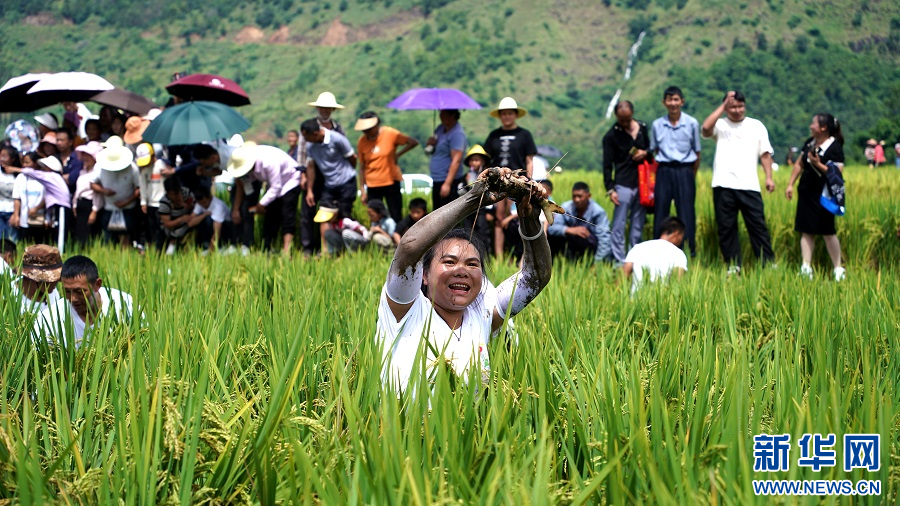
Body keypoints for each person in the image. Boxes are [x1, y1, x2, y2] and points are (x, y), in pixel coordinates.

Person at [376, 168, 552, 392]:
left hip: (471, 417)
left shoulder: (482, 315)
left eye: (472, 264)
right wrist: (473, 199)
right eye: (449, 262)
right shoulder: (405, 310)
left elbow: (535, 277)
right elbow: (410, 247)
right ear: (424, 275)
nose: (462, 270)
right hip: (403, 417)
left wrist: (530, 219)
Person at [700, 90, 777, 273]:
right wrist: (723, 106)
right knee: (726, 227)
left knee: (757, 226)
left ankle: (767, 263)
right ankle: (733, 266)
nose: (737, 110)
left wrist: (769, 177)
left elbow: (765, 154)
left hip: (749, 185)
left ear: (745, 106)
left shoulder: (756, 126)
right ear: (726, 108)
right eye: (732, 107)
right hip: (723, 184)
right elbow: (705, 128)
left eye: (740, 106)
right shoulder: (720, 125)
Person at [785, 113, 846, 281]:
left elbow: (837, 173)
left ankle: (838, 268)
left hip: (824, 195)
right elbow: (799, 163)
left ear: (823, 128)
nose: (811, 126)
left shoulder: (834, 147)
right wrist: (790, 184)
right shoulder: (810, 142)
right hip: (806, 192)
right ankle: (806, 267)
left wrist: (817, 163)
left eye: (814, 123)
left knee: (827, 231)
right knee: (806, 230)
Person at [31, 255, 136, 348]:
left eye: (79, 291)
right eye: (67, 291)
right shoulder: (50, 318)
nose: (73, 298)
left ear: (97, 285)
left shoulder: (125, 304)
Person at [649, 86, 702, 257]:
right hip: (664, 170)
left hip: (684, 170)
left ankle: (688, 252)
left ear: (682, 102)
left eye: (676, 99)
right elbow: (655, 150)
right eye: (669, 100)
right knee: (660, 211)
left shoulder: (692, 123)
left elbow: (697, 153)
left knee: (686, 212)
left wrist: (691, 175)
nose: (673, 103)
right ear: (664, 102)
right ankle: (658, 252)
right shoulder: (657, 124)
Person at [484, 97, 537, 258]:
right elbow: (487, 159)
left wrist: (529, 180)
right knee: (499, 217)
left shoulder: (524, 135)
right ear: (500, 116)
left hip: (518, 180)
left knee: (518, 216)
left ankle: (519, 255)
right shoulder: (494, 135)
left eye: (510, 113)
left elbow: (529, 160)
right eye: (504, 114)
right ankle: (499, 256)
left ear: (515, 115)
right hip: (498, 181)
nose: (506, 116)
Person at [227, 143, 302, 255]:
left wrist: (260, 204)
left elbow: (276, 187)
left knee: (287, 215)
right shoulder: (250, 168)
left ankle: (287, 250)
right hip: (274, 184)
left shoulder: (268, 162)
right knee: (270, 215)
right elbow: (247, 187)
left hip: (290, 180)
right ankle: (267, 248)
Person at [603, 100, 650, 265]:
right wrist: (610, 189)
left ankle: (635, 259)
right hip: (622, 184)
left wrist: (645, 153)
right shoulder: (611, 136)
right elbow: (607, 165)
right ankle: (619, 260)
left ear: (632, 114)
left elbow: (651, 148)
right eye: (621, 120)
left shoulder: (643, 128)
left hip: (642, 183)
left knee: (638, 223)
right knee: (619, 224)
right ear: (616, 116)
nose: (624, 123)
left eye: (627, 119)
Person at [300, 119, 359, 250]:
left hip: (346, 183)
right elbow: (310, 168)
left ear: (315, 134)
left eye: (306, 137)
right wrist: (309, 190)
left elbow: (352, 158)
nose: (305, 140)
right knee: (324, 215)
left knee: (344, 216)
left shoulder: (337, 139)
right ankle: (327, 250)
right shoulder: (310, 146)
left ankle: (346, 248)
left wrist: (346, 174)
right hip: (329, 185)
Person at [299, 92, 345, 255]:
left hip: (332, 177)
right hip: (312, 173)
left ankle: (329, 248)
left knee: (329, 211)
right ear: (318, 108)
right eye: (322, 108)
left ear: (332, 110)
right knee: (308, 211)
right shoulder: (309, 126)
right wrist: (303, 175)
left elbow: (343, 150)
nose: (325, 111)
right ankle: (307, 248)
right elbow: (302, 153)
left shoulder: (338, 128)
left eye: (328, 108)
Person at [355, 111, 419, 222]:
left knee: (395, 214)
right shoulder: (362, 141)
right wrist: (362, 191)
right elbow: (362, 167)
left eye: (369, 129)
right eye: (364, 130)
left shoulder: (390, 133)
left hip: (390, 181)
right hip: (372, 184)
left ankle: (397, 233)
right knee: (375, 217)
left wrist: (398, 154)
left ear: (376, 125)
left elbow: (412, 142)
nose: (367, 132)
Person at [90, 136, 141, 247]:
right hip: (109, 208)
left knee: (126, 239)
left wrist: (126, 202)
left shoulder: (132, 168)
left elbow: (138, 189)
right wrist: (104, 191)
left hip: (128, 208)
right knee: (108, 239)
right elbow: (92, 183)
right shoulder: (100, 166)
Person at [547, 182, 612, 263]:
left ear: (589, 196)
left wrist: (597, 263)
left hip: (590, 245)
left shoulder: (598, 212)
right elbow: (552, 228)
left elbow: (604, 240)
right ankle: (555, 264)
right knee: (552, 237)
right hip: (572, 244)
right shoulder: (566, 207)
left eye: (580, 196)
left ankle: (588, 262)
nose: (576, 200)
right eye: (574, 196)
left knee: (583, 236)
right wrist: (570, 230)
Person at [622, 217, 688, 295]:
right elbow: (676, 283)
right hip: (662, 301)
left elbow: (623, 277)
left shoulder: (638, 248)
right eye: (682, 236)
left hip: (635, 300)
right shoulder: (679, 254)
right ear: (676, 234)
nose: (681, 240)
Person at [426, 109, 467, 211]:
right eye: (441, 114)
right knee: (436, 212)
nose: (441, 117)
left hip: (448, 181)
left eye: (444, 114)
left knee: (446, 213)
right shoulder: (440, 129)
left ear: (452, 115)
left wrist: (447, 184)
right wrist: (430, 143)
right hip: (437, 179)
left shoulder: (457, 134)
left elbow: (456, 160)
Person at [136, 143, 170, 252]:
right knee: (152, 228)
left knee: (162, 229)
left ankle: (162, 250)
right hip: (150, 204)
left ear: (152, 155)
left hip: (162, 203)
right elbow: (142, 187)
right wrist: (143, 202)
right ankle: (155, 250)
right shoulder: (144, 171)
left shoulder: (162, 165)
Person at [10, 244, 62, 315]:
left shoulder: (53, 293)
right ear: (33, 278)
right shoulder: (11, 296)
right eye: (52, 279)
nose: (57, 281)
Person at [461, 145, 494, 250]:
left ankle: (484, 254)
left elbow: (491, 193)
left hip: (482, 208)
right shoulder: (467, 176)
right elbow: (460, 192)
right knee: (468, 231)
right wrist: (465, 183)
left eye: (476, 160)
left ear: (483, 161)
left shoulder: (488, 177)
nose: (473, 163)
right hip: (469, 208)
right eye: (472, 160)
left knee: (482, 231)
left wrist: (490, 211)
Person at [10, 153, 49, 243]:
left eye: (27, 162)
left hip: (40, 219)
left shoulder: (43, 177)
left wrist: (36, 209)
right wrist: (16, 215)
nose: (24, 165)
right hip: (24, 219)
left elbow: (47, 197)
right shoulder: (20, 177)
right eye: (23, 162)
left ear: (36, 163)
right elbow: (17, 198)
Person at [72, 141, 104, 247]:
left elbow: (97, 194)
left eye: (88, 155)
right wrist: (75, 204)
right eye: (84, 155)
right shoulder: (82, 171)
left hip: (90, 205)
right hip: (80, 204)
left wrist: (95, 210)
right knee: (80, 234)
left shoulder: (97, 173)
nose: (85, 158)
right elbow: (78, 190)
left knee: (89, 235)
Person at [158, 176, 197, 255]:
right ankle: (171, 248)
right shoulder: (164, 202)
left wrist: (188, 206)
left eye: (176, 194)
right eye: (171, 194)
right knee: (177, 232)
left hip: (189, 220)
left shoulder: (186, 193)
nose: (173, 197)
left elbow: (197, 207)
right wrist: (181, 219)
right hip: (172, 226)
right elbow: (167, 224)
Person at [193, 186, 235, 254]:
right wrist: (204, 214)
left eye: (204, 203)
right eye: (201, 204)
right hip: (211, 228)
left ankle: (221, 245)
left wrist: (210, 251)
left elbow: (217, 233)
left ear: (209, 197)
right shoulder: (199, 204)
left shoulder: (218, 206)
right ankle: (205, 244)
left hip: (225, 227)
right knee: (201, 219)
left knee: (209, 219)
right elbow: (191, 222)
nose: (203, 205)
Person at [0, 146, 21, 242]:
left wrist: (16, 214)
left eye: (5, 156)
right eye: (1, 155)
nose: (1, 159)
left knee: (12, 240)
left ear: (12, 159)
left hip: (12, 211)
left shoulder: (18, 175)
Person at [56, 127, 83, 195]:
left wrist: (55, 179)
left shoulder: (77, 158)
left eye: (62, 140)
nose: (59, 143)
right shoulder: (54, 158)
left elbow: (72, 179)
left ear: (70, 142)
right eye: (57, 140)